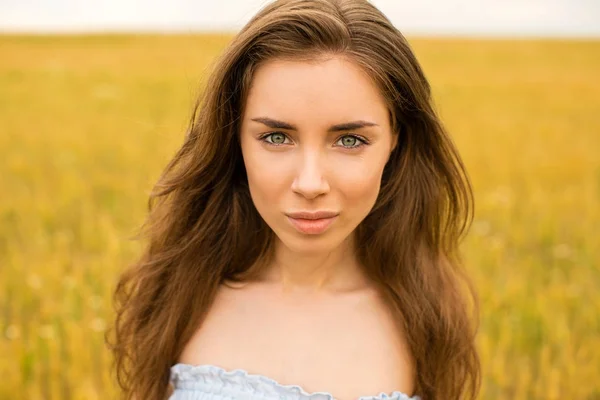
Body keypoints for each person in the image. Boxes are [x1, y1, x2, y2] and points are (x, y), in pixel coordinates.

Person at [108, 0, 481, 399]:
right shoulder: (179, 291)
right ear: (233, 140)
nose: (309, 183)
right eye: (276, 137)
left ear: (396, 141)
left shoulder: (427, 317)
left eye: (349, 140)